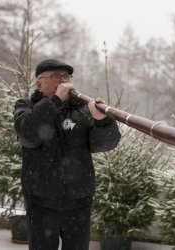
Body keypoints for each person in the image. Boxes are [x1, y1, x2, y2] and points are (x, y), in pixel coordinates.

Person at [13, 59, 121, 250]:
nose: (63, 81)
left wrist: (101, 120)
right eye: (56, 76)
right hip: (41, 201)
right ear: (39, 83)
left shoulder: (81, 109)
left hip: (78, 201)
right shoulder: (26, 106)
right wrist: (54, 102)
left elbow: (105, 144)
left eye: (66, 76)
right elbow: (29, 135)